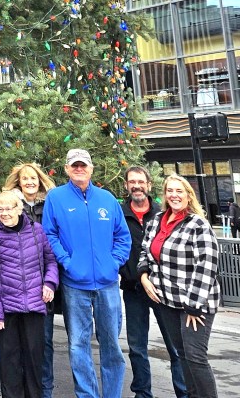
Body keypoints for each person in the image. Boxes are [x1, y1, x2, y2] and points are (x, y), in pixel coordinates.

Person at [42, 149, 130, 398]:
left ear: (91, 169)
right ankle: (87, 395)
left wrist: (114, 263)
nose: (79, 169)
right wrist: (67, 262)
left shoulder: (107, 199)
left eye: (83, 165)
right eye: (74, 166)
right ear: (67, 169)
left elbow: (122, 237)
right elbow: (50, 234)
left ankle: (112, 394)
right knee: (78, 345)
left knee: (111, 344)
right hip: (74, 285)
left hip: (107, 284)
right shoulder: (56, 198)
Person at [138, 174, 221, 398]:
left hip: (195, 303)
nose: (174, 195)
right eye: (170, 191)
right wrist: (144, 276)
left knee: (195, 356)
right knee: (182, 354)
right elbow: (145, 251)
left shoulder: (198, 224)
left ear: (188, 195)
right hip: (166, 301)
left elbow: (208, 264)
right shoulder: (156, 221)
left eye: (179, 191)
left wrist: (194, 305)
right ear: (164, 195)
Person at [119, 166, 187, 398]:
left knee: (176, 348)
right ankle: (143, 394)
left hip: (163, 290)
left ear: (149, 185)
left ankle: (184, 392)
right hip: (133, 289)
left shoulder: (161, 214)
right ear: (127, 186)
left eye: (140, 181)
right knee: (137, 348)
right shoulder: (119, 214)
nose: (136, 186)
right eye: (132, 182)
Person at [0, 191, 58, 398]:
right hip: (7, 309)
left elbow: (50, 261)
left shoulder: (37, 231)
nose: (5, 213)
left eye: (9, 209)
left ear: (19, 209)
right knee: (10, 363)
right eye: (1, 209)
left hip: (34, 305)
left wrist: (50, 284)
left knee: (34, 361)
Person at [3, 163, 58, 398]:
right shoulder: (10, 206)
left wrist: (50, 281)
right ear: (18, 182)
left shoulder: (51, 204)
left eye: (33, 178)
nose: (29, 182)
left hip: (45, 285)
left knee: (43, 343)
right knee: (18, 346)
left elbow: (52, 250)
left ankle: (44, 391)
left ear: (40, 180)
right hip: (16, 286)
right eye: (24, 178)